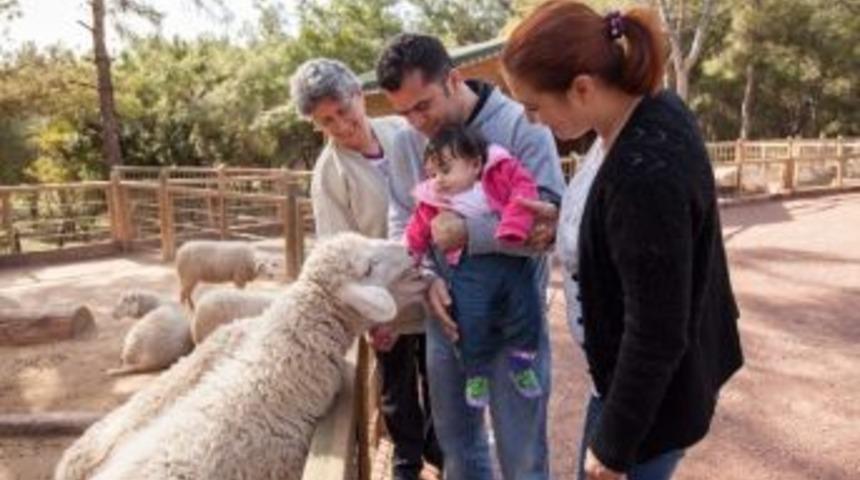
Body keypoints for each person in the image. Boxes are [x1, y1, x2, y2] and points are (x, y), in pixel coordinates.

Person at [500, 2, 744, 479]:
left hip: (650, 402)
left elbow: (656, 330)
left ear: (582, 88)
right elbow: (624, 233)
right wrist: (568, 223)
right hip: (623, 381)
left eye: (534, 106)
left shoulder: (644, 170)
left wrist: (613, 448)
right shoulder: (638, 111)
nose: (531, 121)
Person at [376, 33, 566, 479]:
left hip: (511, 320)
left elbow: (549, 220)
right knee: (458, 449)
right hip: (444, 323)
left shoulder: (521, 125)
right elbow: (402, 217)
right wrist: (425, 276)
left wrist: (470, 232)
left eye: (422, 106)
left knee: (522, 458)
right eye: (403, 112)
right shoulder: (407, 142)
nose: (415, 122)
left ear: (453, 79)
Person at [289, 58, 443, 480]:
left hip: (432, 286)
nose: (341, 124)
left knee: (440, 380)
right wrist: (371, 316)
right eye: (326, 120)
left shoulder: (401, 132)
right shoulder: (330, 173)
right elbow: (339, 251)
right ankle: (406, 464)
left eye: (343, 109)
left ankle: (441, 454)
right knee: (397, 390)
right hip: (385, 301)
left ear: (359, 93)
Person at [405, 124, 543, 408]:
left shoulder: (500, 174)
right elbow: (417, 229)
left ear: (475, 164)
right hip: (470, 269)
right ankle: (476, 372)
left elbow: (526, 191)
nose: (437, 180)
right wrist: (411, 256)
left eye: (445, 170)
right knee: (470, 320)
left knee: (526, 310)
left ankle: (522, 363)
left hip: (514, 262)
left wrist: (515, 223)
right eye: (432, 173)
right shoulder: (435, 199)